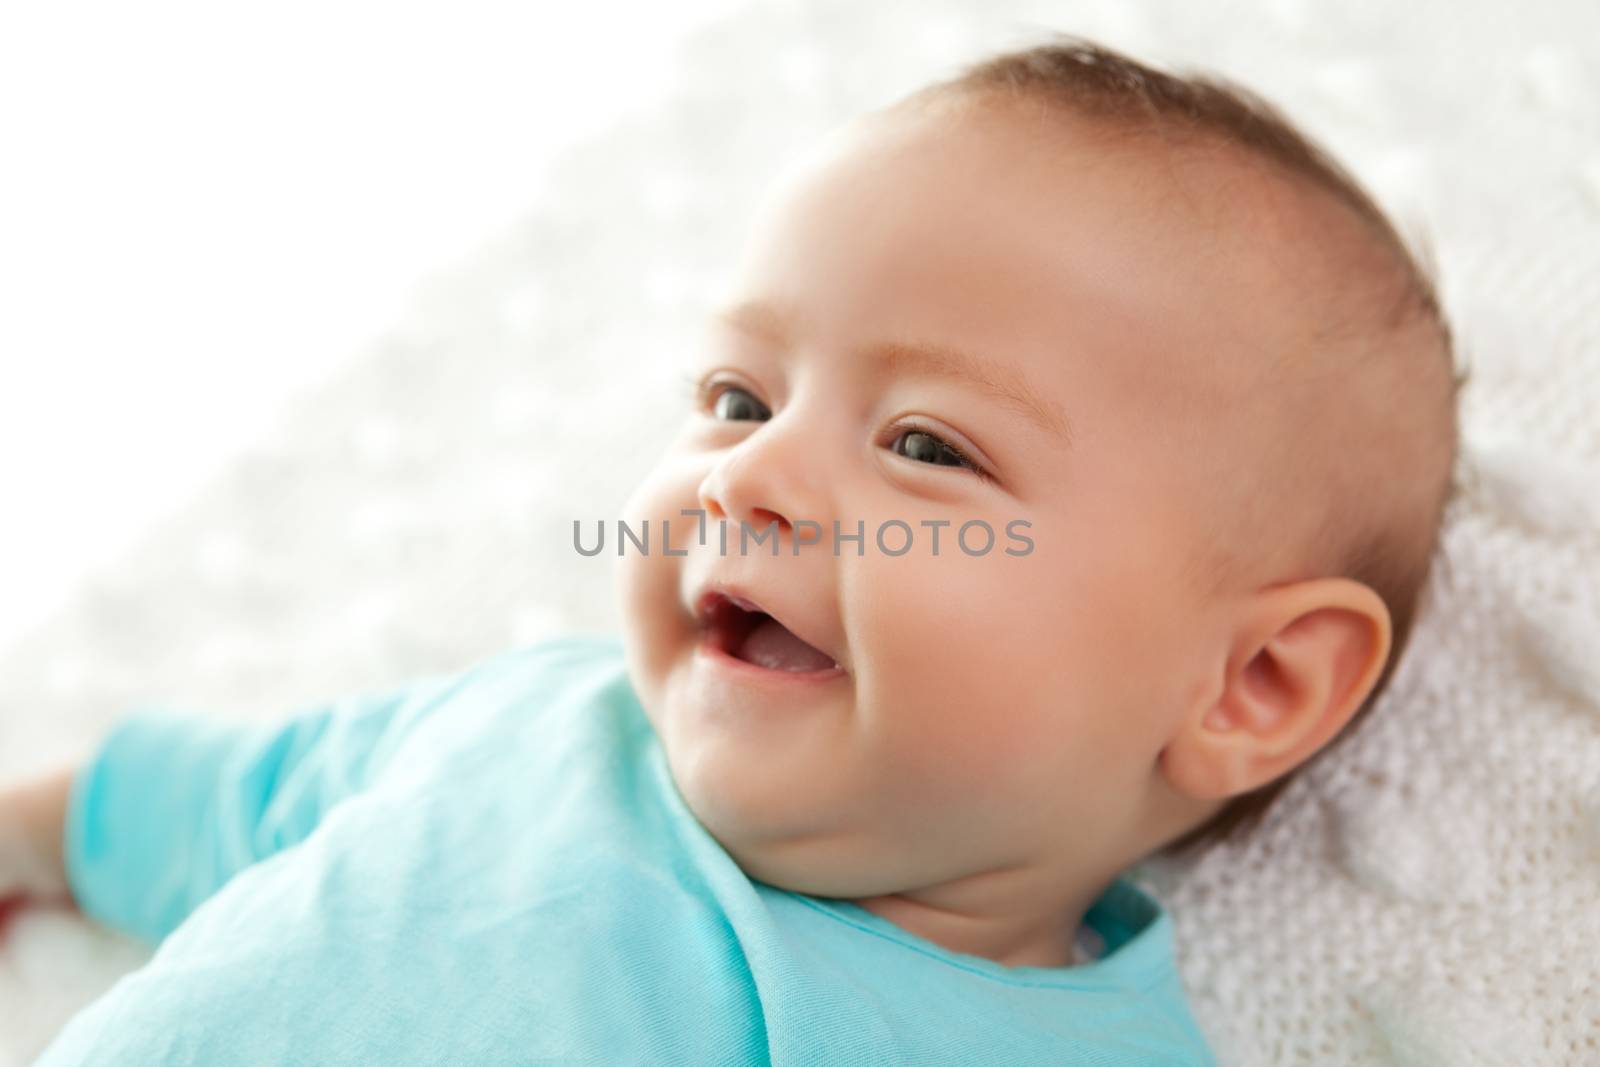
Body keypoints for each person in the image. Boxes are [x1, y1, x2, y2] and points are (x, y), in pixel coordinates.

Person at [0, 33, 1463, 1065]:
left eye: (928, 447)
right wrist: (37, 825)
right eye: (737, 398)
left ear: (1252, 685)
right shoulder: (533, 719)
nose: (751, 469)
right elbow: (222, 799)